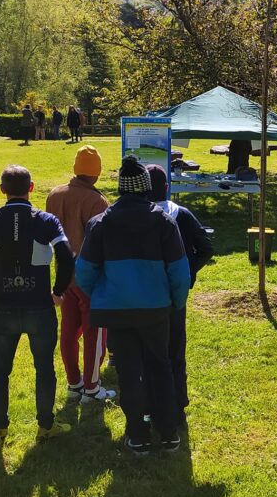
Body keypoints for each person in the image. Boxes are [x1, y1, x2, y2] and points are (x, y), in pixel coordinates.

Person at [76, 156, 191, 455]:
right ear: (145, 188)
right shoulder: (164, 222)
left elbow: (84, 273)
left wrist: (102, 295)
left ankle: (137, 435)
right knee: (160, 368)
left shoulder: (100, 224)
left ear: (121, 188)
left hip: (117, 311)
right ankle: (168, 433)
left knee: (128, 372)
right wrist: (175, 304)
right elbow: (180, 272)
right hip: (156, 310)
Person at [0, 165, 74, 441]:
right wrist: (58, 291)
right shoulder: (47, 221)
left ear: (2, 190)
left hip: (3, 308)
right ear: (31, 188)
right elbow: (67, 257)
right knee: (44, 369)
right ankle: (46, 425)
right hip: (40, 307)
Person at [46, 146, 114, 404]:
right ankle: (92, 386)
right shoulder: (97, 201)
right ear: (96, 174)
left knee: (69, 330)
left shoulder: (55, 195)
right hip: (89, 277)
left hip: (63, 276)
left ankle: (74, 382)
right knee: (95, 332)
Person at [146, 164, 214, 420]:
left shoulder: (143, 218)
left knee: (151, 352)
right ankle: (177, 401)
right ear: (166, 188)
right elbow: (206, 248)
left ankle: (153, 404)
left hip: (148, 293)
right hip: (176, 293)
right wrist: (187, 272)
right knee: (175, 350)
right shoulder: (182, 214)